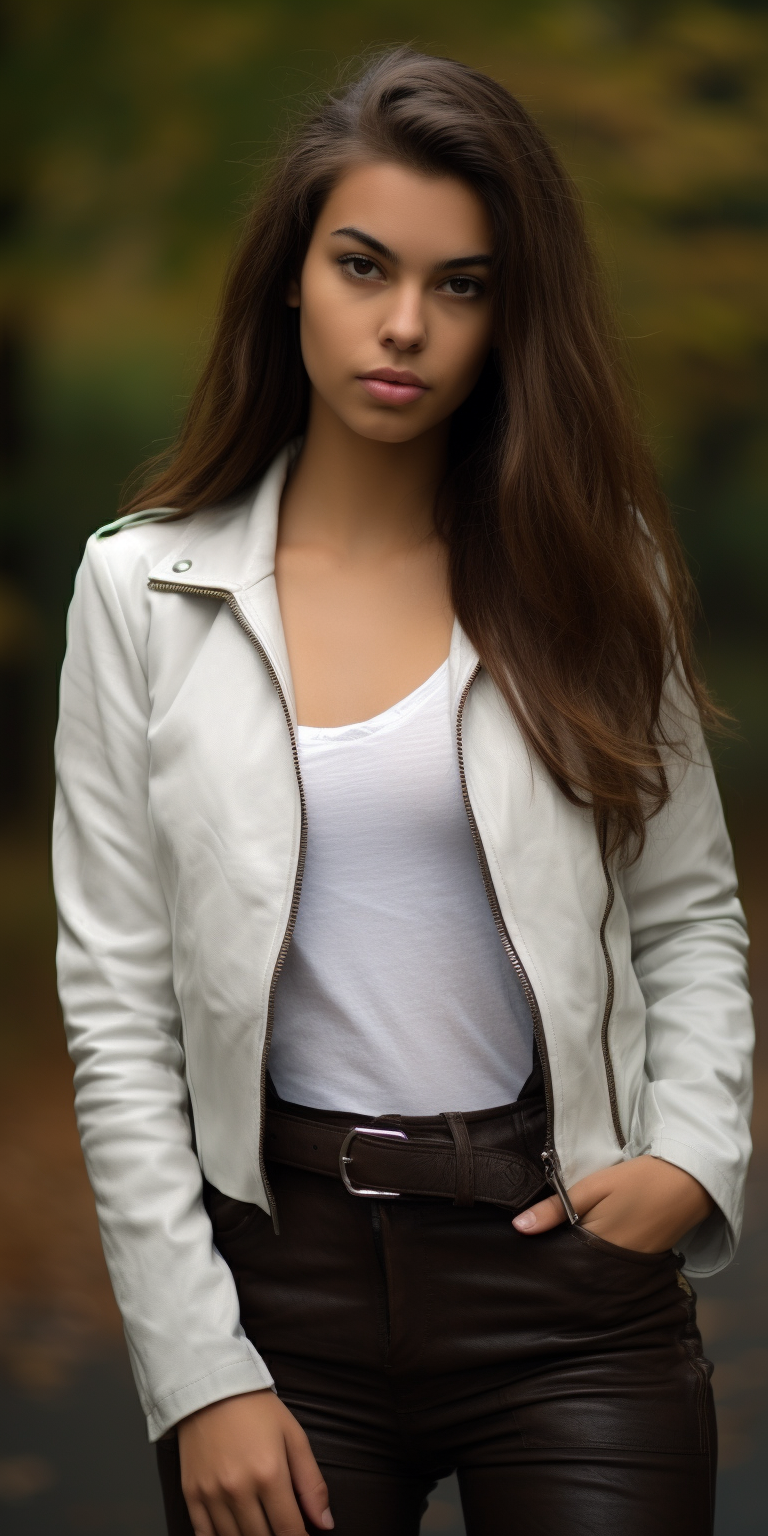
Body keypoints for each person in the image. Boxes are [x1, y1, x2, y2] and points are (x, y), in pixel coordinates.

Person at [53, 48, 753, 1536]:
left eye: (462, 285)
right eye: (364, 265)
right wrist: (200, 1373)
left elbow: (687, 910)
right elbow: (119, 1012)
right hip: (275, 1300)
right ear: (290, 277)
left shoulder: (592, 565)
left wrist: (694, 1155)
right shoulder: (141, 589)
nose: (403, 325)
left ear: (513, 315)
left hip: (566, 1288)